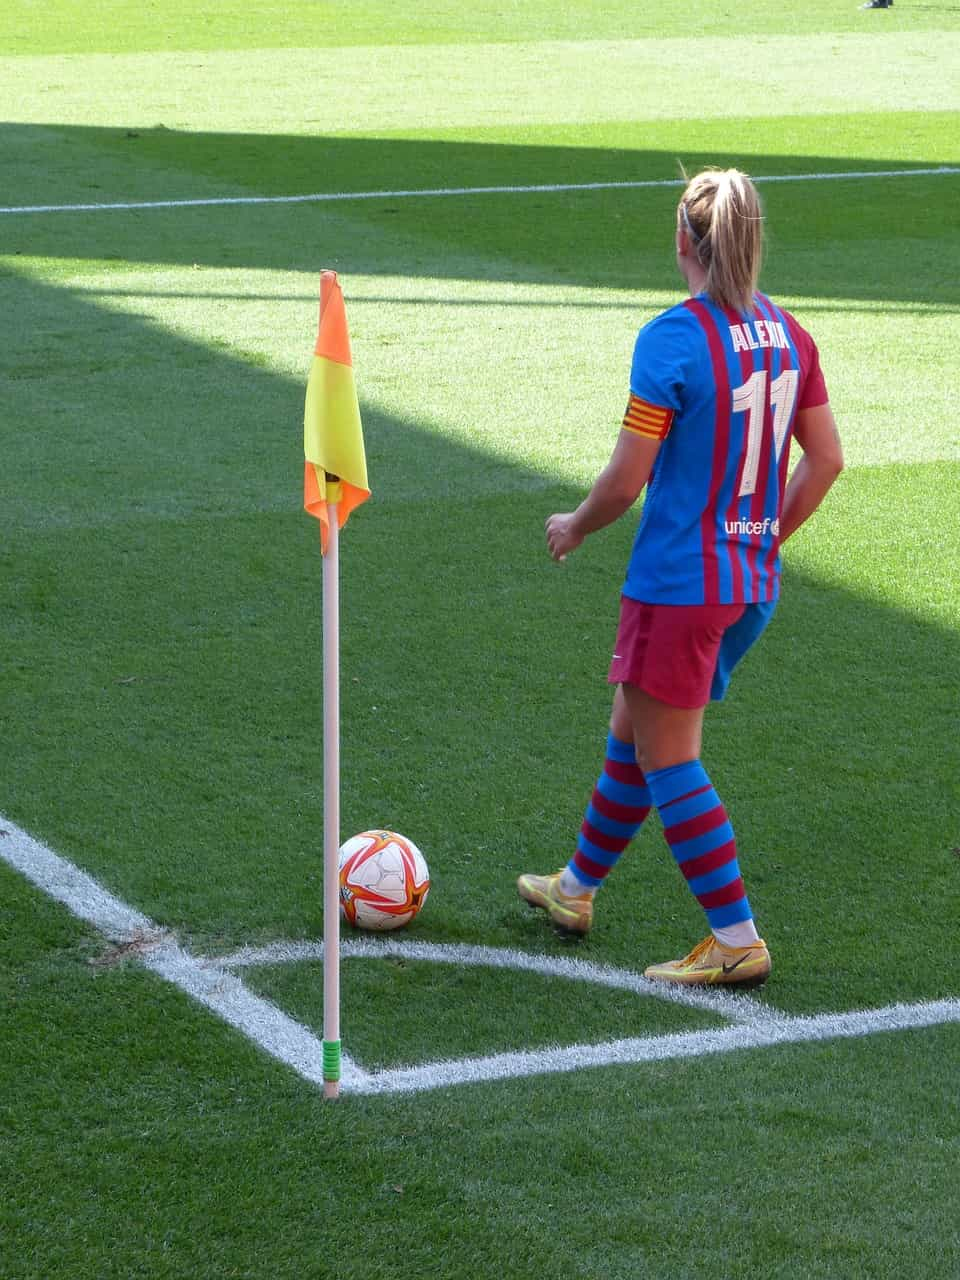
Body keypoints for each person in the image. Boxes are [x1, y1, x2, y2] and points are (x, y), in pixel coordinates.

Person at [518, 167, 843, 987]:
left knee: (670, 759)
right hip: (746, 589)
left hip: (677, 588)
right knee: (634, 729)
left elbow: (626, 483)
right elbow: (826, 460)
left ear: (681, 241)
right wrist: (763, 541)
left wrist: (575, 525)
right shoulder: (788, 334)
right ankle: (575, 888)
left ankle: (736, 938)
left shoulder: (671, 338)